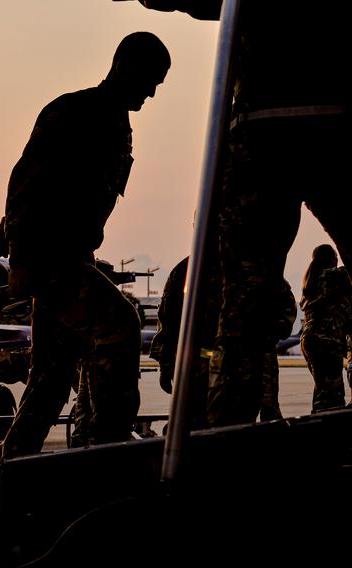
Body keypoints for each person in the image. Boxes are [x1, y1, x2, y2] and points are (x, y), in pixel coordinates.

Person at [132, 1, 352, 427]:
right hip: (326, 131)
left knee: (243, 315)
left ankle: (227, 433)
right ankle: (227, 427)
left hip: (265, 134)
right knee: (243, 314)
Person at [0, 32, 170, 458]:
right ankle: (106, 449)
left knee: (51, 378)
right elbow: (25, 185)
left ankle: (17, 476)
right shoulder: (75, 111)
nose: (151, 92)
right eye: (150, 80)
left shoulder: (114, 122)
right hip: (48, 256)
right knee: (121, 325)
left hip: (69, 255)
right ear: (126, 68)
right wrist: (20, 258)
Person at [150, 255, 296, 425]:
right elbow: (169, 319)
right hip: (222, 366)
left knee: (203, 424)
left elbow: (168, 321)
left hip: (210, 366)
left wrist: (166, 364)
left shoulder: (188, 268)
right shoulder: (255, 264)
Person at [299, 244, 352, 413]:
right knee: (332, 396)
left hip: (311, 340)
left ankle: (319, 422)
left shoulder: (312, 280)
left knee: (323, 390)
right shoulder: (331, 276)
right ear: (331, 259)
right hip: (325, 341)